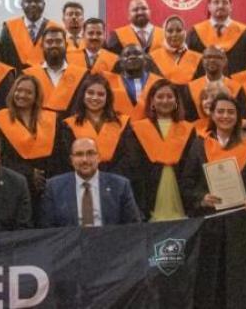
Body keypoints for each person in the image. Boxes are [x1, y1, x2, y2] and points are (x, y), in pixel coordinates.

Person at [179, 92, 246, 309]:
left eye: (231, 112)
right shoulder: (200, 144)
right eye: (220, 111)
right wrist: (201, 198)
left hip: (241, 224)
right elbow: (187, 181)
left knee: (239, 280)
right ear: (212, 113)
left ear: (238, 116)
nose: (225, 116)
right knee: (209, 280)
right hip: (209, 222)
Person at [120, 79, 196, 222]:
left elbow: (191, 166)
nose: (165, 100)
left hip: (180, 191)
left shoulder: (188, 129)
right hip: (148, 192)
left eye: (169, 96)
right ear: (152, 102)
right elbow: (134, 166)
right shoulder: (137, 129)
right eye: (160, 97)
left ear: (176, 101)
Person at [0, 75, 60, 222]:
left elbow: (60, 154)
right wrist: (28, 173)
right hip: (12, 185)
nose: (22, 95)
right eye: (18, 90)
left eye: (28, 92)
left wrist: (47, 178)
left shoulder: (52, 120)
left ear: (36, 96)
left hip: (46, 186)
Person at [39, 137, 140, 228]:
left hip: (110, 244)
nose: (85, 159)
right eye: (79, 154)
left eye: (90, 153)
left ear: (99, 157)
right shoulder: (54, 187)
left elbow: (133, 226)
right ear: (71, 160)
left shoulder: (120, 185)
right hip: (70, 246)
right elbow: (48, 229)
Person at [56, 74, 129, 172]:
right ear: (83, 95)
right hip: (81, 178)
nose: (95, 98)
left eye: (101, 94)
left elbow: (127, 157)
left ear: (108, 97)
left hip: (116, 179)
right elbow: (66, 159)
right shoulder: (69, 125)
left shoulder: (121, 122)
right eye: (90, 93)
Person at [23, 26, 86, 112]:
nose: (54, 45)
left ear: (66, 45)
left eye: (58, 41)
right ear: (42, 46)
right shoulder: (28, 75)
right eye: (49, 42)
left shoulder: (82, 75)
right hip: (38, 124)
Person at [186, 0, 246, 74]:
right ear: (209, 7)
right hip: (203, 84)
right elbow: (189, 63)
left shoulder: (244, 33)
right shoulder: (195, 33)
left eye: (225, 2)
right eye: (216, 2)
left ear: (231, 7)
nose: (220, 6)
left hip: (234, 84)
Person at [0, 0, 58, 68]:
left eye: (37, 1)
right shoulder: (9, 28)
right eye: (28, 1)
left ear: (43, 5)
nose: (33, 4)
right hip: (16, 79)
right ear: (22, 4)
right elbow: (3, 61)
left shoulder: (56, 29)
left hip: (46, 79)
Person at [185, 46, 246, 121]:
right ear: (202, 61)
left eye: (217, 57)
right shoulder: (190, 88)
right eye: (208, 57)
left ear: (225, 61)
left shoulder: (236, 88)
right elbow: (187, 118)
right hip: (198, 131)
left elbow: (243, 118)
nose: (212, 60)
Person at [103, 44, 161, 120]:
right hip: (120, 128)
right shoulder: (109, 83)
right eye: (127, 55)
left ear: (145, 60)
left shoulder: (159, 82)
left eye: (137, 54)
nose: (132, 57)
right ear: (120, 63)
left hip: (150, 128)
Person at [149, 15, 203, 86]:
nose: (174, 34)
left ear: (185, 32)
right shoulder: (151, 58)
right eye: (170, 31)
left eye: (179, 30)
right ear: (164, 33)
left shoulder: (198, 59)